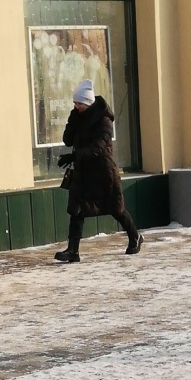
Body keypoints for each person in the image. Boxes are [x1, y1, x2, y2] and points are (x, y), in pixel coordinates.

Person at [55, 80, 142, 262]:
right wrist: (72, 120)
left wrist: (74, 156)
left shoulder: (104, 119)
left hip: (103, 172)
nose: (76, 106)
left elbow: (98, 147)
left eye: (79, 104)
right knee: (76, 210)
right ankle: (73, 251)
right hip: (83, 171)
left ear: (88, 103)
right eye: (75, 103)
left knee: (116, 209)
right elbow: (68, 140)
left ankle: (135, 236)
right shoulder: (78, 116)